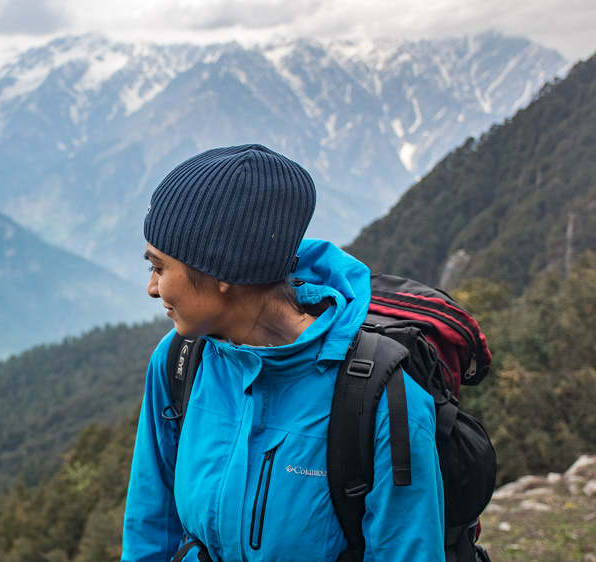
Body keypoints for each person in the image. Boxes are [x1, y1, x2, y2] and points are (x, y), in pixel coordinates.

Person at [122, 144, 445, 562]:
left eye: (160, 267)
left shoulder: (381, 401)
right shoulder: (179, 363)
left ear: (221, 270)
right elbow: (152, 527)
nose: (152, 287)